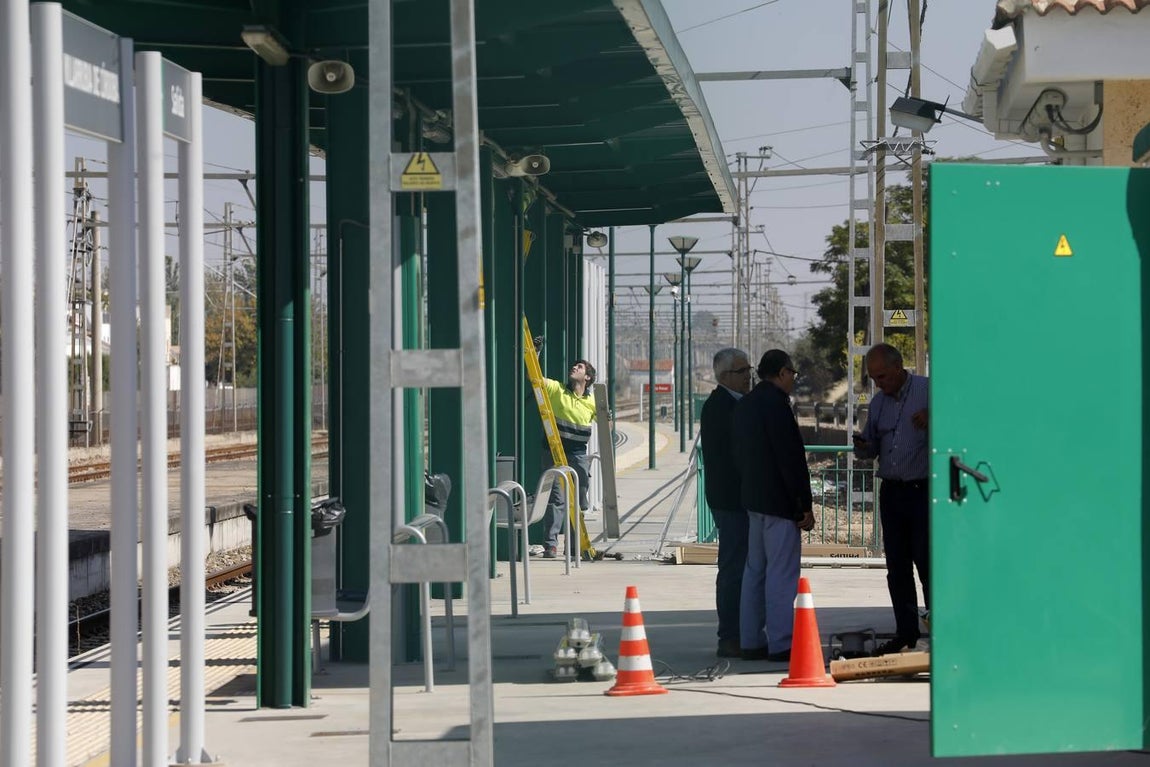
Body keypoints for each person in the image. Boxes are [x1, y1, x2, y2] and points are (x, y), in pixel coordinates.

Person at [731, 349, 814, 662]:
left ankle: (751, 640)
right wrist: (802, 504)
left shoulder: (746, 404)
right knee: (782, 572)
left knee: (755, 571)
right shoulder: (778, 406)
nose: (793, 378)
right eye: (792, 373)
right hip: (780, 504)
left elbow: (738, 454)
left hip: (753, 501)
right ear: (781, 372)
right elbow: (790, 460)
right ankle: (781, 643)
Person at [853, 343, 930, 656]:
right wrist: (864, 446)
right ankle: (906, 633)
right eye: (873, 378)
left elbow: (961, 423)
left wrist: (936, 417)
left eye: (882, 376)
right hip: (892, 494)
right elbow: (872, 446)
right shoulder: (878, 404)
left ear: (898, 367)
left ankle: (941, 630)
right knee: (897, 567)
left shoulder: (929, 391)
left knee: (928, 563)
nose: (878, 383)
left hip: (923, 492)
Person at [699, 348, 753, 659]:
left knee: (742, 566)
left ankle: (743, 631)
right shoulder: (721, 407)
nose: (748, 376)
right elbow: (735, 455)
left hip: (738, 499)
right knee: (733, 567)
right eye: (742, 371)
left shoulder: (737, 403)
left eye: (749, 370)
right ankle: (730, 635)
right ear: (724, 376)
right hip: (731, 500)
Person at [539, 357, 598, 559]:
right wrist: (536, 354)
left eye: (579, 367)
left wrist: (606, 416)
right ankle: (551, 545)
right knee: (557, 500)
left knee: (578, 501)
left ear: (587, 377)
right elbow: (536, 378)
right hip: (553, 451)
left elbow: (606, 428)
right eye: (574, 365)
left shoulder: (592, 401)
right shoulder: (558, 390)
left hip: (577, 454)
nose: (574, 367)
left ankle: (573, 546)